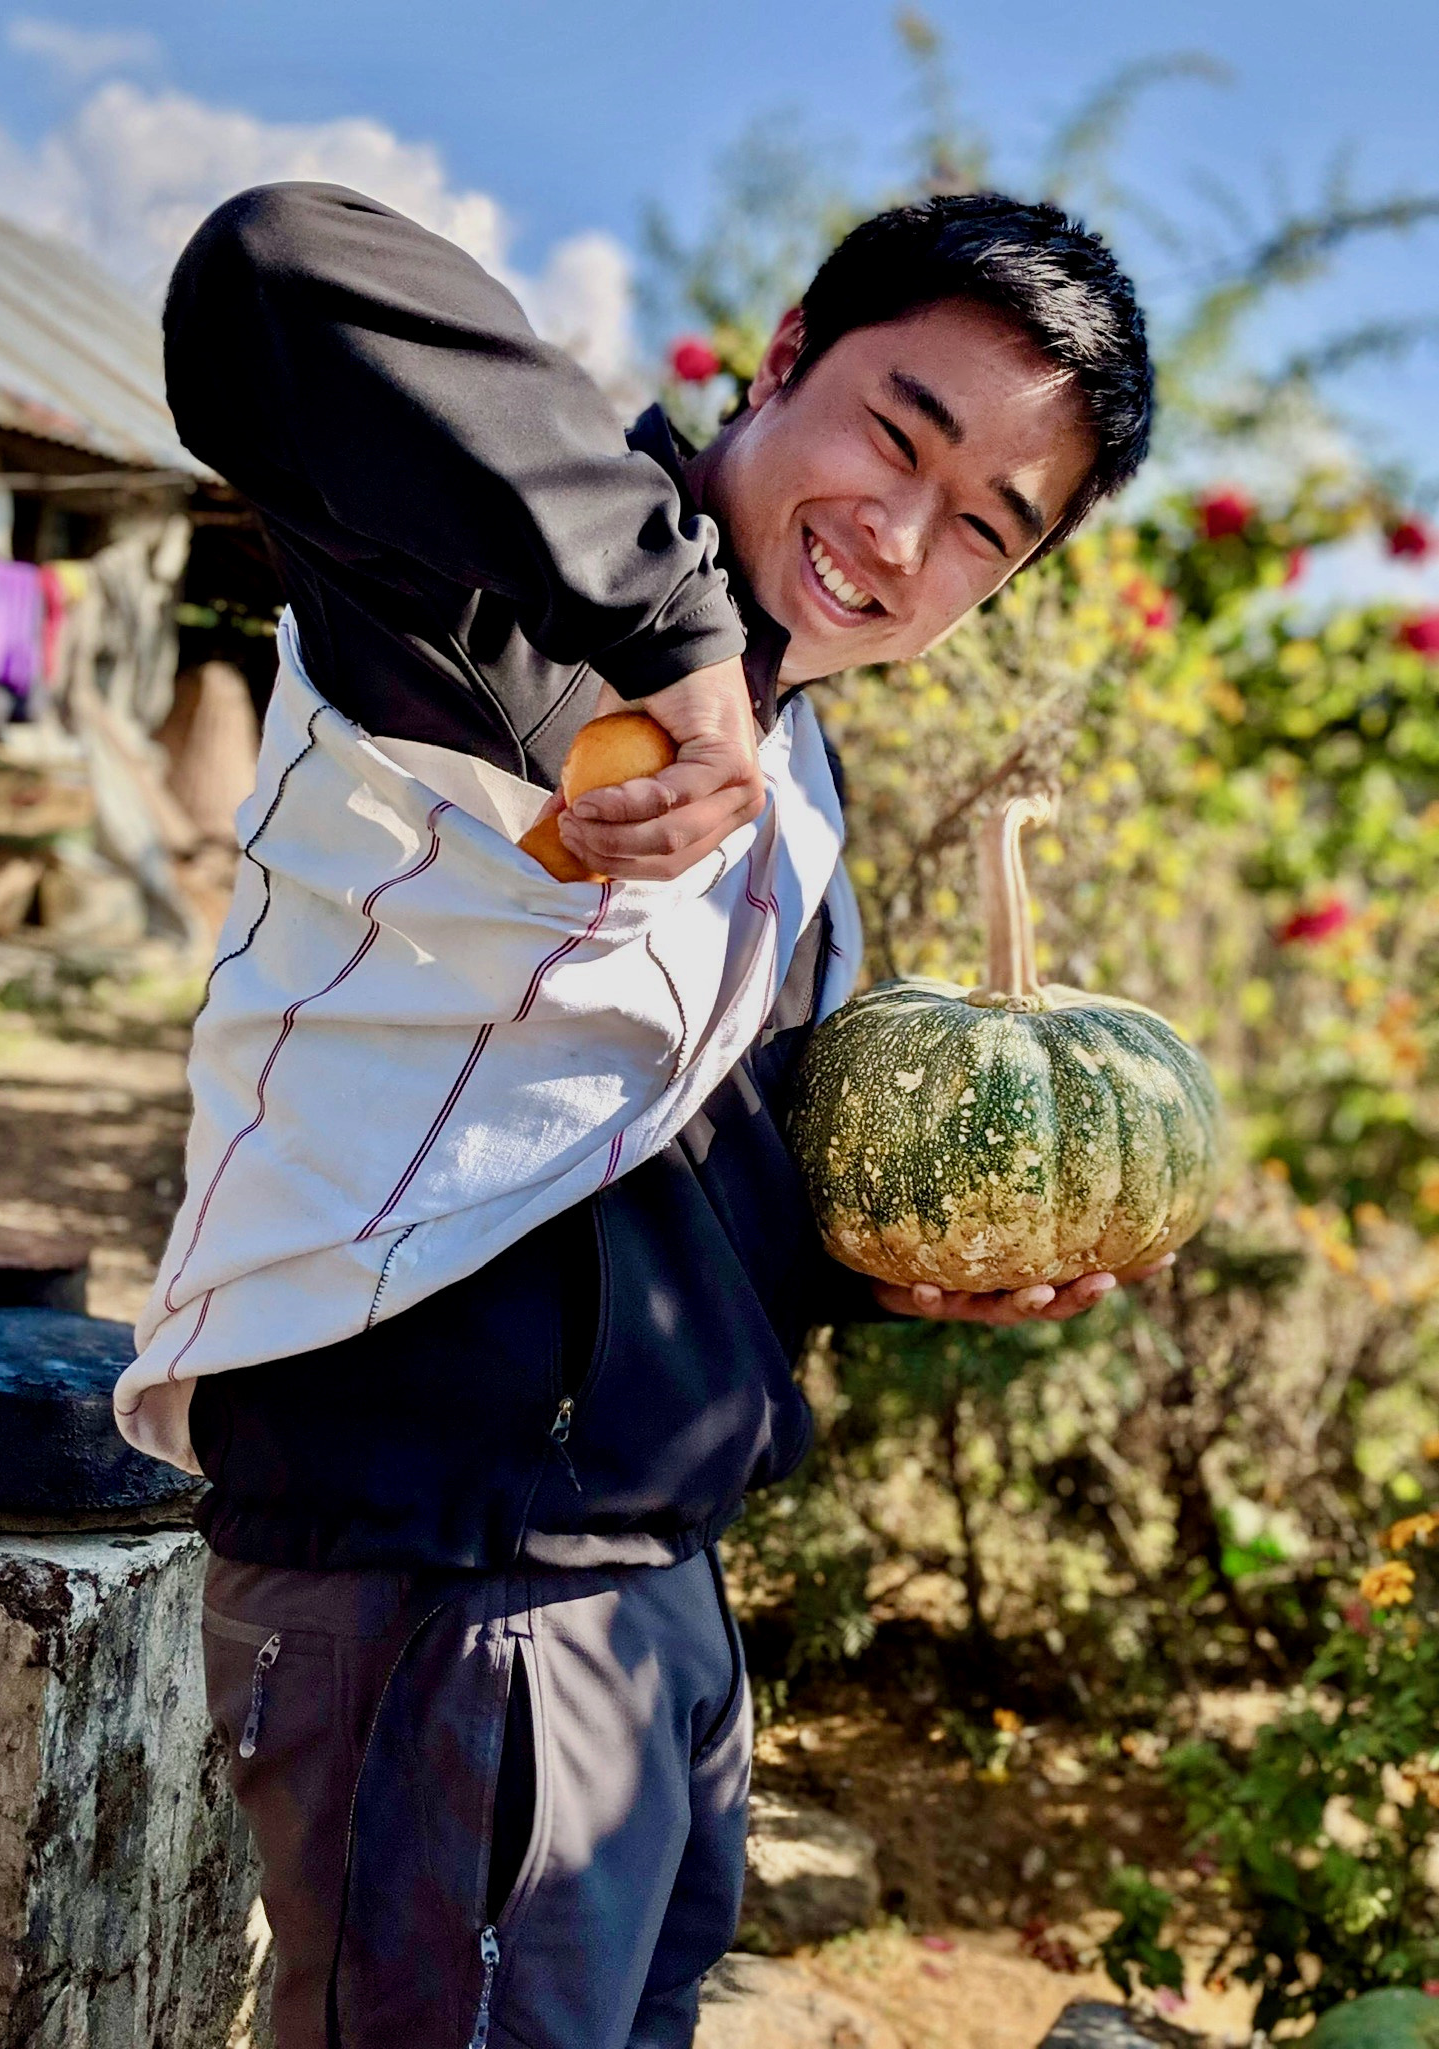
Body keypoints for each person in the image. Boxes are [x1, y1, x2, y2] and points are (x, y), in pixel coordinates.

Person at [157, 182, 1155, 2049]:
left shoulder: (801, 767)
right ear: (781, 358)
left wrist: (900, 1271)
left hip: (651, 1592)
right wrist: (670, 625)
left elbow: (682, 1176)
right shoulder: (503, 614)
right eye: (894, 430)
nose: (900, 533)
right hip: (452, 1589)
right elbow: (274, 272)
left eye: (983, 530)